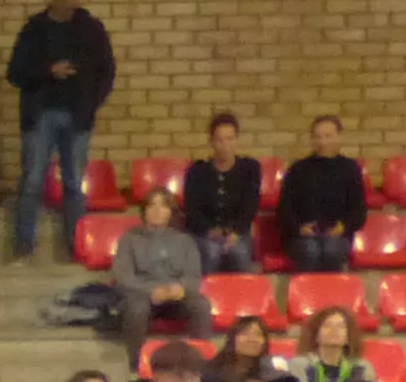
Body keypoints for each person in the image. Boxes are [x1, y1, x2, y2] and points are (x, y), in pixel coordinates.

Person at [5, 0, 111, 264]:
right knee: (32, 182)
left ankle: (78, 248)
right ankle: (24, 249)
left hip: (78, 117)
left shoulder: (91, 29)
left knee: (74, 184)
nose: (70, 3)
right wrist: (48, 72)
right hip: (40, 115)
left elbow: (106, 72)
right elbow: (14, 73)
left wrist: (91, 104)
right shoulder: (34, 30)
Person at [109, 186, 203, 347]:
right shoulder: (130, 239)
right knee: (137, 307)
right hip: (143, 295)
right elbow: (123, 276)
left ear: (170, 212)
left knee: (201, 304)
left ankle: (201, 357)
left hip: (176, 297)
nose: (157, 210)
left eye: (163, 206)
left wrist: (180, 288)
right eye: (152, 205)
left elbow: (193, 275)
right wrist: (151, 291)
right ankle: (136, 364)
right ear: (144, 211)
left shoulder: (184, 240)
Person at [275, 114, 368, 273]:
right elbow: (284, 209)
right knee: (310, 250)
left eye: (328, 136)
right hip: (301, 237)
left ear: (339, 137)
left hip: (338, 236)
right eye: (317, 137)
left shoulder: (351, 169)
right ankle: (306, 295)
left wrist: (342, 227)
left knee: (332, 250)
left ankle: (333, 295)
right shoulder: (298, 169)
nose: (323, 142)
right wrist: (300, 228)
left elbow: (359, 210)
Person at [180, 114, 265, 277]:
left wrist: (236, 232)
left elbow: (251, 205)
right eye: (219, 140)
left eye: (229, 139)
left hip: (238, 231)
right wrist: (211, 231)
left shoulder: (251, 169)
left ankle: (244, 299)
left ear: (236, 140)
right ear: (211, 142)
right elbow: (192, 208)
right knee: (211, 252)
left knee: (239, 253)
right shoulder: (197, 171)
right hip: (203, 232)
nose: (225, 145)